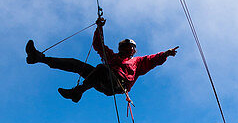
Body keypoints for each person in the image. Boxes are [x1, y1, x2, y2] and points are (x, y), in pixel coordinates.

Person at [25, 16, 179, 102]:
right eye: (123, 46)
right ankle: (39, 58)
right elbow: (98, 44)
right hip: (101, 80)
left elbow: (153, 59)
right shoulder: (112, 56)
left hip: (117, 85)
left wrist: (166, 53)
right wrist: (99, 28)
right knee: (75, 64)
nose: (125, 48)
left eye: (128, 47)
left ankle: (77, 92)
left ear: (133, 50)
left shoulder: (137, 62)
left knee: (102, 68)